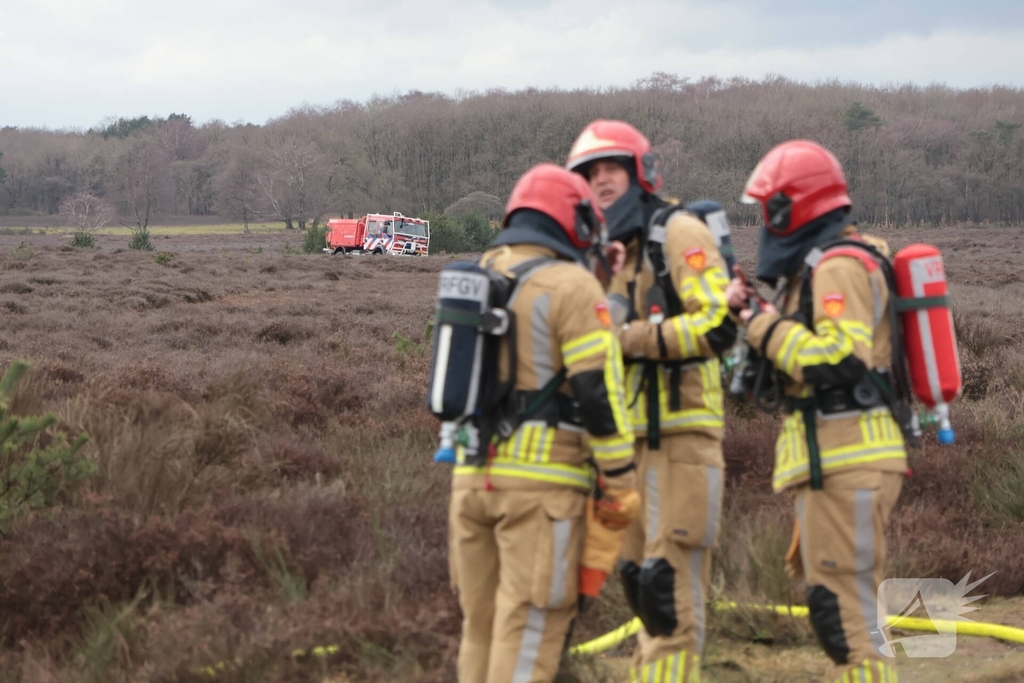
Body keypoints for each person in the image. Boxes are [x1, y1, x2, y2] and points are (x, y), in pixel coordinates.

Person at [448, 163, 640, 683]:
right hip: (542, 492)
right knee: (529, 628)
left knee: (480, 630)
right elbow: (598, 393)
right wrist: (621, 482)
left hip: (471, 481)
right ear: (573, 220)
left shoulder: (482, 274)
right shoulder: (572, 285)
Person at [728, 139, 906, 683]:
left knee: (847, 619)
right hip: (838, 456)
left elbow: (839, 360)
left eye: (770, 208)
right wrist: (760, 312)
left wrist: (757, 324)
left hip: (849, 456)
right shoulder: (830, 263)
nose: (765, 220)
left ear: (793, 206)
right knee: (848, 612)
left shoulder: (838, 267)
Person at [567, 120, 736, 681]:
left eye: (610, 168)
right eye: (589, 174)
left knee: (671, 586)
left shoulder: (678, 232)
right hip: (627, 442)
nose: (601, 181)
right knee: (641, 586)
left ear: (640, 171)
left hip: (683, 438)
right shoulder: (609, 255)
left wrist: (630, 338)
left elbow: (718, 325)